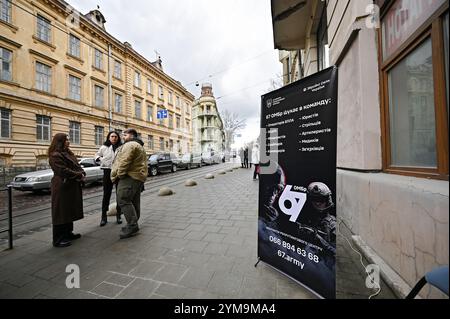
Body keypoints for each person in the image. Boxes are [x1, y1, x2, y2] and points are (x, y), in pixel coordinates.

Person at [48, 133, 85, 248]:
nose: (68, 141)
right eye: (66, 140)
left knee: (69, 210)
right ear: (60, 141)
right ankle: (58, 239)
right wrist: (79, 175)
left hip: (70, 186)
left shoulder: (67, 152)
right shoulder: (55, 155)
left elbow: (76, 165)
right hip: (62, 186)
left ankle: (68, 233)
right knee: (61, 212)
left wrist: (82, 172)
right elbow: (62, 171)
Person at [111, 129, 148, 239]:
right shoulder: (138, 145)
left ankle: (132, 225)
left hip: (129, 176)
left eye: (125, 135)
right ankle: (133, 223)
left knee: (123, 199)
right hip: (137, 176)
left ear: (131, 136)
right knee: (134, 201)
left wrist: (120, 174)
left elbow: (124, 161)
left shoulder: (130, 144)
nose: (123, 137)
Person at [95, 131, 123, 226]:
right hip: (107, 171)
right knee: (106, 195)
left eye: (115, 136)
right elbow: (97, 155)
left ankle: (118, 216)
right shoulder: (104, 147)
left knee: (119, 195)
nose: (114, 138)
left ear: (118, 138)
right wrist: (100, 159)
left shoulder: (121, 147)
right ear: (108, 137)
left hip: (118, 172)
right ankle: (104, 217)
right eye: (112, 136)